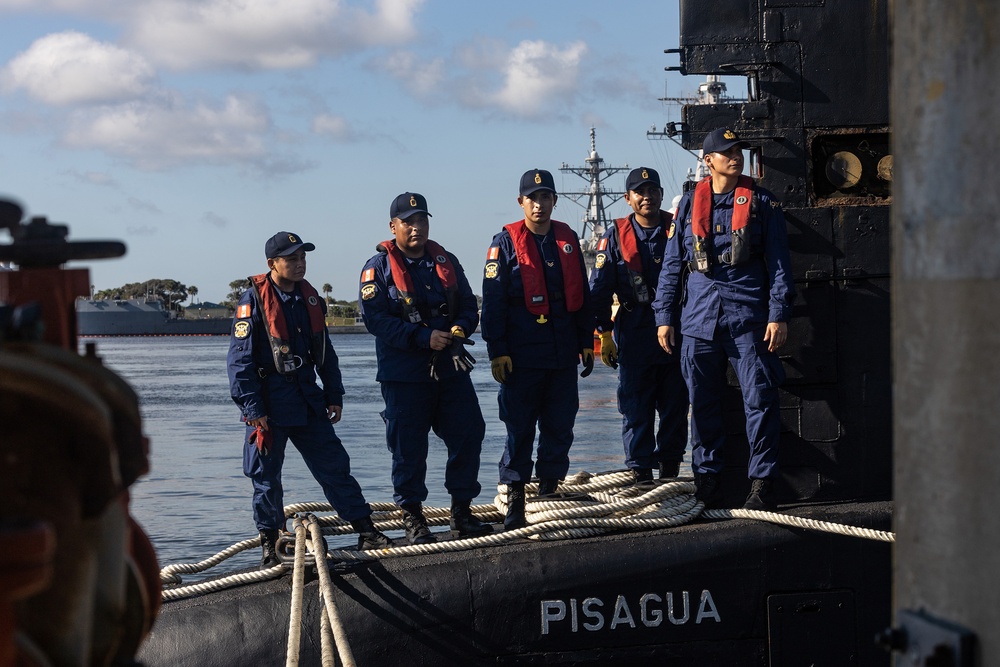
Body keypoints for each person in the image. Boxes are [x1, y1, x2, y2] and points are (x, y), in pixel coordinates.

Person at [228, 231, 392, 568]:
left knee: (335, 467)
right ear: (272, 263)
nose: (300, 264)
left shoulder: (310, 299)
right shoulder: (253, 301)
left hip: (307, 401)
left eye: (302, 257)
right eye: (292, 258)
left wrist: (334, 394)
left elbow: (325, 353)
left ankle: (365, 529)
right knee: (265, 478)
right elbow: (239, 362)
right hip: (269, 408)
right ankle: (270, 545)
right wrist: (253, 408)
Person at [653, 128, 796, 510]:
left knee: (759, 400)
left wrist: (778, 314)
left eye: (738, 151)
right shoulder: (688, 205)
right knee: (701, 404)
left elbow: (779, 264)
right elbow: (673, 265)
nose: (735, 157)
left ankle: (762, 484)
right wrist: (664, 316)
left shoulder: (762, 202)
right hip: (698, 320)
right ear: (708, 160)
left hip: (748, 317)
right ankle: (708, 482)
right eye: (727, 152)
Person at [358, 192, 492, 545]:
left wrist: (461, 328)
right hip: (405, 375)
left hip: (451, 369)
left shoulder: (446, 261)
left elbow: (468, 304)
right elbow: (376, 320)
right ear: (393, 226)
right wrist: (422, 337)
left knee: (469, 433)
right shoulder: (378, 269)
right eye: (408, 221)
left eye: (421, 220)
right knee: (408, 448)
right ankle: (413, 518)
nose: (416, 227)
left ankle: (462, 512)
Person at [480, 169, 595, 530]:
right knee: (519, 428)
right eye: (532, 198)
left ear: (554, 201)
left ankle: (549, 489)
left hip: (562, 353)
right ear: (521, 202)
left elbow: (582, 295)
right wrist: (497, 350)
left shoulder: (567, 239)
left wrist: (587, 341)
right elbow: (493, 302)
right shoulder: (504, 244)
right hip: (522, 355)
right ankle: (515, 497)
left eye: (545, 197)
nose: (539, 204)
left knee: (560, 425)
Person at [589, 167, 689, 483]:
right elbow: (599, 290)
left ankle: (670, 470)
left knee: (675, 406)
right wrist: (604, 333)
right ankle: (641, 473)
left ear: (661, 194)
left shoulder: (678, 229)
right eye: (640, 192)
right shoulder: (614, 237)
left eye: (652, 190)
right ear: (628, 198)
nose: (647, 197)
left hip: (677, 332)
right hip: (634, 332)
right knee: (636, 407)